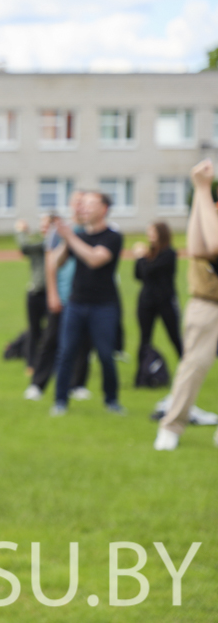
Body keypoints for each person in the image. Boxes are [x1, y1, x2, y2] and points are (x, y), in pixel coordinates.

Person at [155, 159, 218, 450]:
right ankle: (172, 426)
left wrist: (203, 189)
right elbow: (197, 247)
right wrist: (199, 193)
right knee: (193, 366)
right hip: (207, 304)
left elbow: (214, 244)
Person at [50, 192, 125, 416]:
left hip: (104, 305)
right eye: (84, 205)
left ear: (104, 209)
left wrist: (71, 237)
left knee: (105, 354)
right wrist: (66, 237)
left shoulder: (113, 236)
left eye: (91, 204)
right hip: (76, 303)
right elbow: (57, 262)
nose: (85, 209)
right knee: (66, 352)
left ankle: (111, 400)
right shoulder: (77, 236)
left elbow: (94, 259)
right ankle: (60, 401)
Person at [24, 193, 91, 401]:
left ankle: (77, 384)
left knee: (83, 343)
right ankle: (38, 385)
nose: (80, 206)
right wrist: (52, 294)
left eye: (84, 202)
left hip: (87, 296)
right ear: (71, 205)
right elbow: (50, 263)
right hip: (63, 294)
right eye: (77, 202)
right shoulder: (59, 231)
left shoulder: (93, 231)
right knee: (51, 340)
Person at [133, 221, 182, 359]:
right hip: (147, 301)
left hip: (165, 301)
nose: (149, 235)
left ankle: (185, 366)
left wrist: (141, 258)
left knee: (174, 336)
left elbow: (148, 271)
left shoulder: (169, 254)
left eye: (152, 232)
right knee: (145, 338)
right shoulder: (149, 254)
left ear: (161, 234)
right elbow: (138, 275)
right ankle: (141, 375)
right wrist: (141, 259)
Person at [16, 215, 53, 374]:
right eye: (42, 225)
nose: (44, 228)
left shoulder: (49, 244)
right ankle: (31, 364)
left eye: (47, 225)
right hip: (36, 292)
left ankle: (48, 364)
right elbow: (26, 249)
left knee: (52, 331)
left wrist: (20, 231)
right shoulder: (41, 244)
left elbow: (24, 246)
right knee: (33, 330)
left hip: (52, 294)